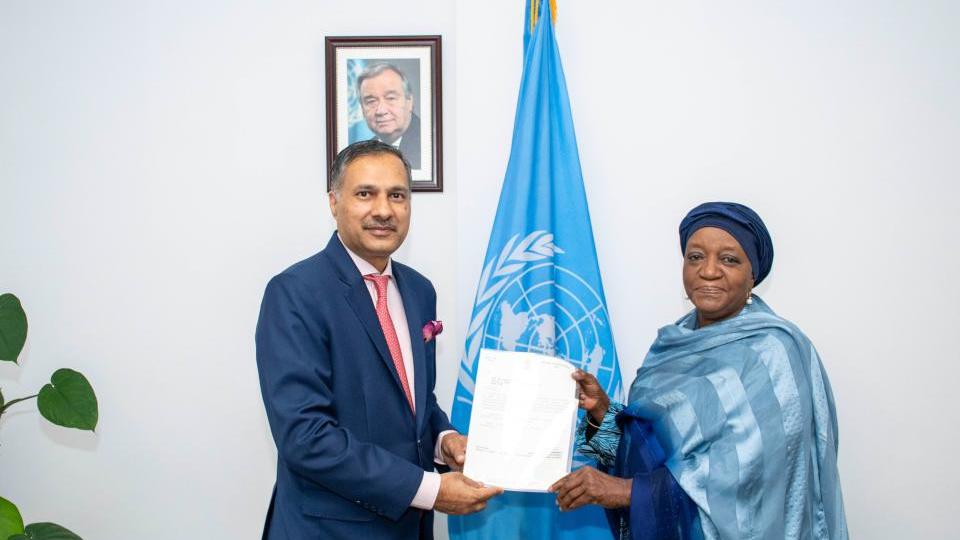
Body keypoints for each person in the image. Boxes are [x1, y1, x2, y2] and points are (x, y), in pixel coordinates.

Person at [549, 202, 848, 539]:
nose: (708, 271)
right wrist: (601, 414)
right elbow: (649, 452)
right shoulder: (670, 345)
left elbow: (753, 479)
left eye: (729, 259)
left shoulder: (775, 354)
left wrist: (626, 492)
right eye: (695, 257)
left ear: (753, 275)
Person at [255, 140, 501, 539]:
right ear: (334, 202)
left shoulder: (420, 291)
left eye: (397, 196)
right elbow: (305, 437)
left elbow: (416, 402)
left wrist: (445, 440)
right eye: (365, 194)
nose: (384, 210)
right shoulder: (295, 293)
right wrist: (432, 490)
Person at [357, 62, 422, 169]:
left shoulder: (429, 145)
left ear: (409, 101)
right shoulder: (361, 153)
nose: (381, 111)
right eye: (371, 101)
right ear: (362, 108)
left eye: (391, 98)